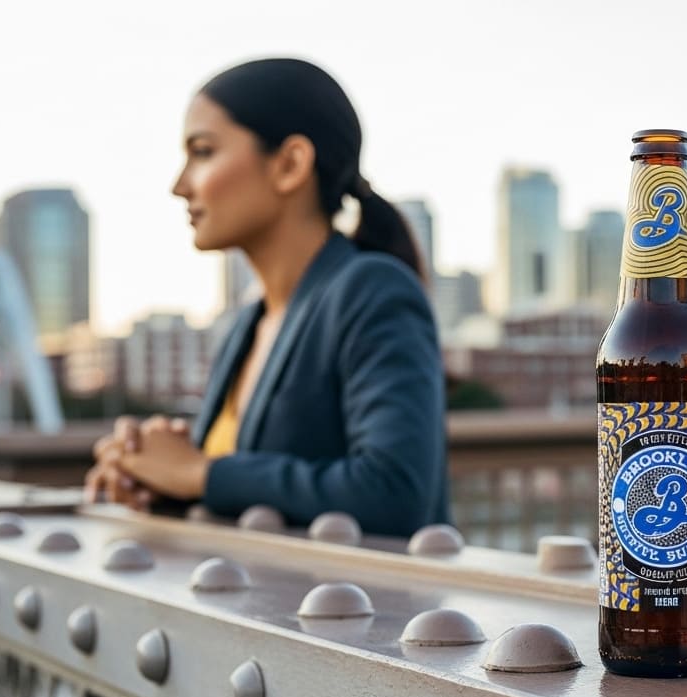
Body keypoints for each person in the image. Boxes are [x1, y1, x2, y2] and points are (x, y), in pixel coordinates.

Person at [84, 57, 449, 537]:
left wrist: (199, 473)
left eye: (203, 152)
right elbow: (244, 494)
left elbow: (395, 493)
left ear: (290, 164)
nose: (179, 186)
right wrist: (152, 474)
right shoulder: (248, 323)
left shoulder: (372, 290)